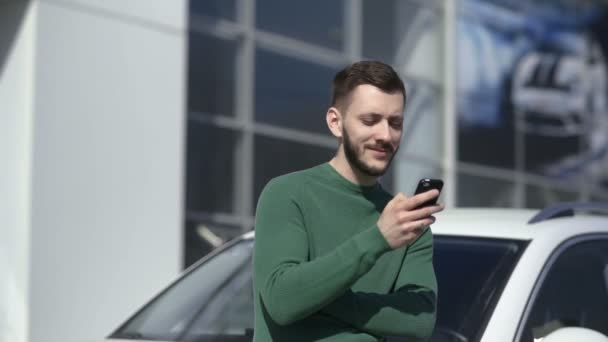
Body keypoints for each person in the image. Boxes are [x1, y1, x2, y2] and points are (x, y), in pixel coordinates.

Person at [253, 60, 443, 342]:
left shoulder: (407, 223)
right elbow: (283, 302)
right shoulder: (287, 193)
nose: (385, 135)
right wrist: (379, 238)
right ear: (335, 122)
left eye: (395, 123)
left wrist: (319, 299)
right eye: (370, 121)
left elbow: (420, 322)